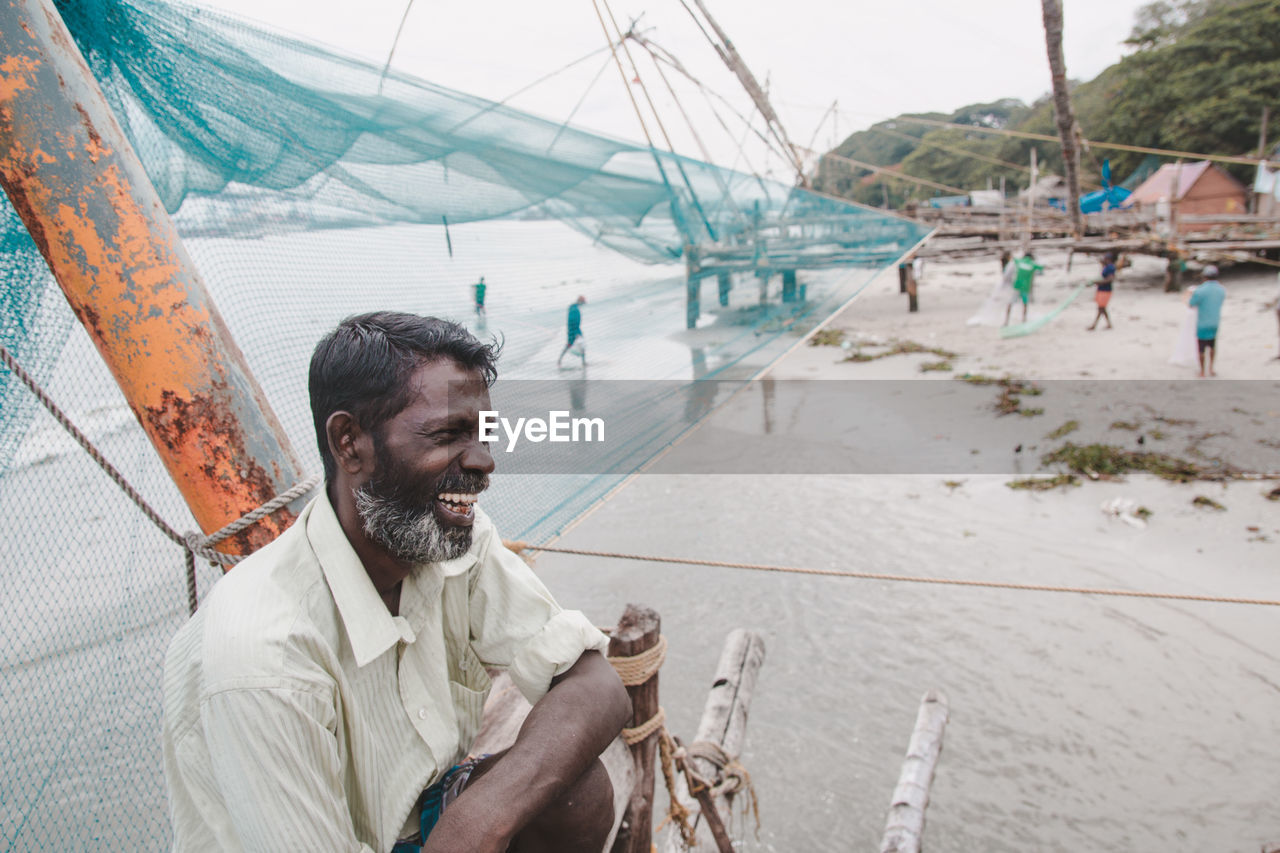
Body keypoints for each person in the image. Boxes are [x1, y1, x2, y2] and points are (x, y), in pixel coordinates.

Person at [162, 312, 630, 853]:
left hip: (416, 825)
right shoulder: (263, 657)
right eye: (448, 435)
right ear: (349, 443)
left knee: (576, 791)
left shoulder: (452, 541)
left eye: (481, 435)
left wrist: (476, 821)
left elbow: (597, 686)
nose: (483, 462)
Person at [1188, 264, 1226, 377]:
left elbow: (1191, 304)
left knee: (1201, 348)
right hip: (1215, 321)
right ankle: (1211, 369)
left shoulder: (1200, 290)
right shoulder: (1221, 290)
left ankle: (1202, 371)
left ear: (1205, 276)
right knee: (1213, 345)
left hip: (1202, 323)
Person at [1009, 250, 1043, 325]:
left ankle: (1006, 321)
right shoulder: (1032, 264)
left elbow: (1013, 259)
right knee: (1024, 304)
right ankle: (1023, 320)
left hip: (1017, 285)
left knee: (1010, 303)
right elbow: (1041, 268)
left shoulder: (1020, 261)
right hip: (1025, 287)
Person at [1087, 252, 1116, 331]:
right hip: (1102, 289)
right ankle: (1108, 324)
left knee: (1101, 308)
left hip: (1105, 290)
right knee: (1102, 308)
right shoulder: (1107, 267)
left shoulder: (1110, 268)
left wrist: (1097, 282)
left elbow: (1110, 279)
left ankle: (1094, 325)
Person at [557, 295, 587, 368]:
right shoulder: (575, 309)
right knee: (580, 345)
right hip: (575, 330)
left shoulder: (573, 307)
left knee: (569, 345)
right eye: (583, 302)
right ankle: (583, 362)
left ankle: (560, 360)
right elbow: (573, 321)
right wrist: (576, 333)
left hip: (572, 330)